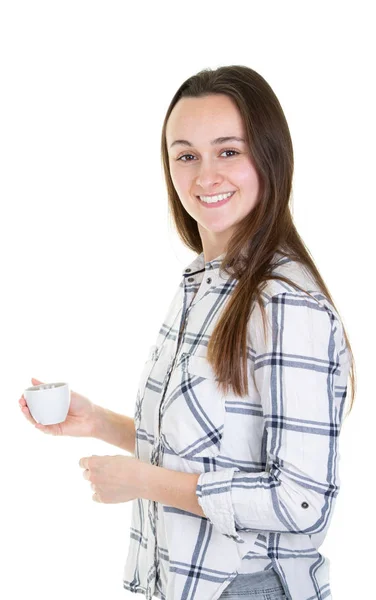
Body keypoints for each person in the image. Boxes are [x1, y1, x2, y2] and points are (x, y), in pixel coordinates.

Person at [19, 65, 356, 600]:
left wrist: (143, 482)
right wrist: (101, 422)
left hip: (248, 587)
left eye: (228, 151)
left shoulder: (286, 302)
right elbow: (217, 449)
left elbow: (301, 500)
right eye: (186, 155)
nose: (205, 176)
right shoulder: (207, 281)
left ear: (270, 157)